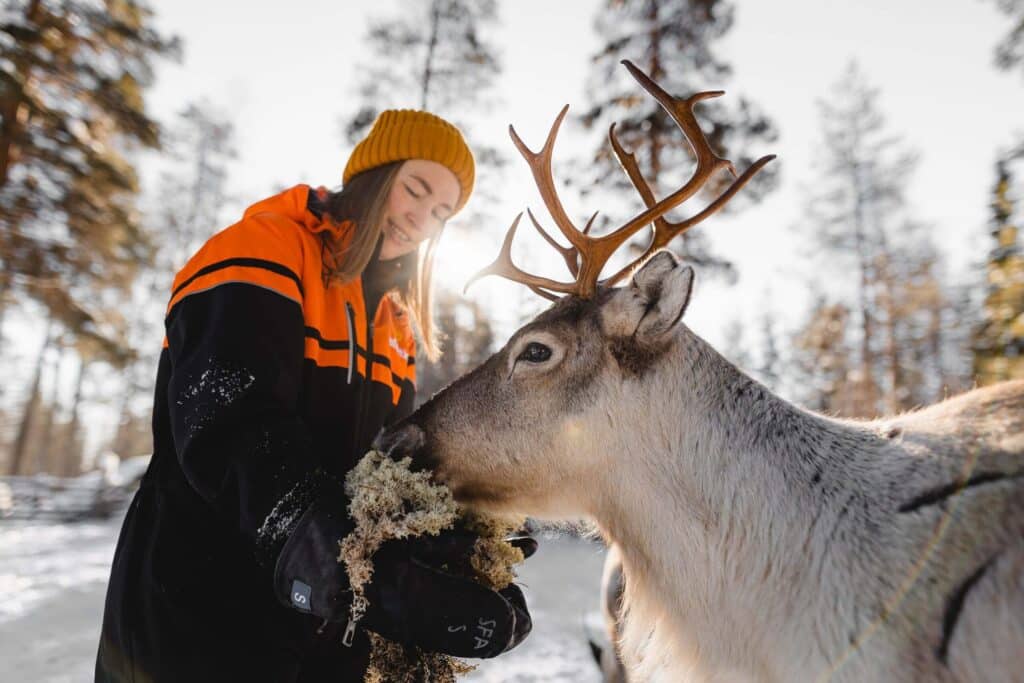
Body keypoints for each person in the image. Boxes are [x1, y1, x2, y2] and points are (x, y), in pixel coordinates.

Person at [96, 110, 535, 682]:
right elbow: (232, 430)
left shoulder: (394, 323)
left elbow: (378, 475)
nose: (421, 219)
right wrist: (362, 577)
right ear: (375, 174)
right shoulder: (265, 248)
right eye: (415, 189)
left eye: (441, 212)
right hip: (198, 612)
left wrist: (458, 546)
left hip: (313, 628)